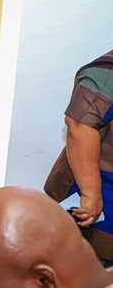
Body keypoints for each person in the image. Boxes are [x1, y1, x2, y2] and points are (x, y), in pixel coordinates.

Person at [45, 50, 113, 266]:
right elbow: (80, 125)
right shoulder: (107, 73)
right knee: (89, 275)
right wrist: (91, 194)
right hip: (101, 189)